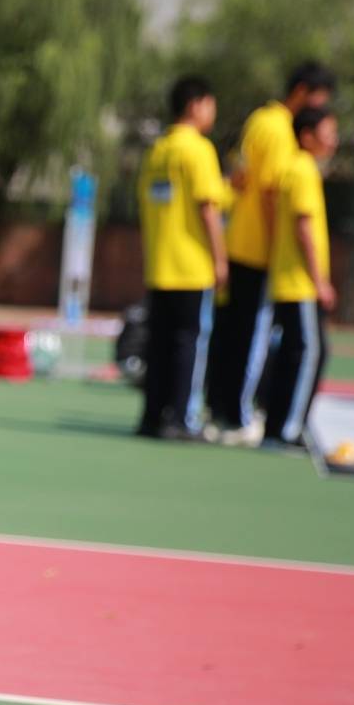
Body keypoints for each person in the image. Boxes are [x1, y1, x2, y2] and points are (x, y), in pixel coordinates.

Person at [204, 61, 336, 446]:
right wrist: (282, 245)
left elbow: (241, 175)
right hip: (261, 249)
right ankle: (240, 415)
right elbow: (269, 194)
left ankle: (225, 409)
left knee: (234, 334)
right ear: (301, 91)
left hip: (240, 242)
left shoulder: (259, 119)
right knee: (252, 338)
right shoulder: (281, 132)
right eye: (318, 101)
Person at [135, 75, 227, 440]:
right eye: (211, 104)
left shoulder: (157, 151)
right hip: (191, 266)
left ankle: (151, 417)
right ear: (196, 104)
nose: (212, 112)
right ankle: (179, 419)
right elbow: (208, 208)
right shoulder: (198, 150)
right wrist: (220, 259)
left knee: (158, 344)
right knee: (188, 343)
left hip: (160, 263)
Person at [262, 106, 338, 447]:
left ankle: (275, 424)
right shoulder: (303, 170)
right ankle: (288, 428)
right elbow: (303, 227)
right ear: (307, 135)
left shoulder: (292, 168)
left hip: (290, 279)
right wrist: (319, 279)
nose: (333, 139)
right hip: (299, 281)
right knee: (308, 351)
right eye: (328, 132)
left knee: (293, 352)